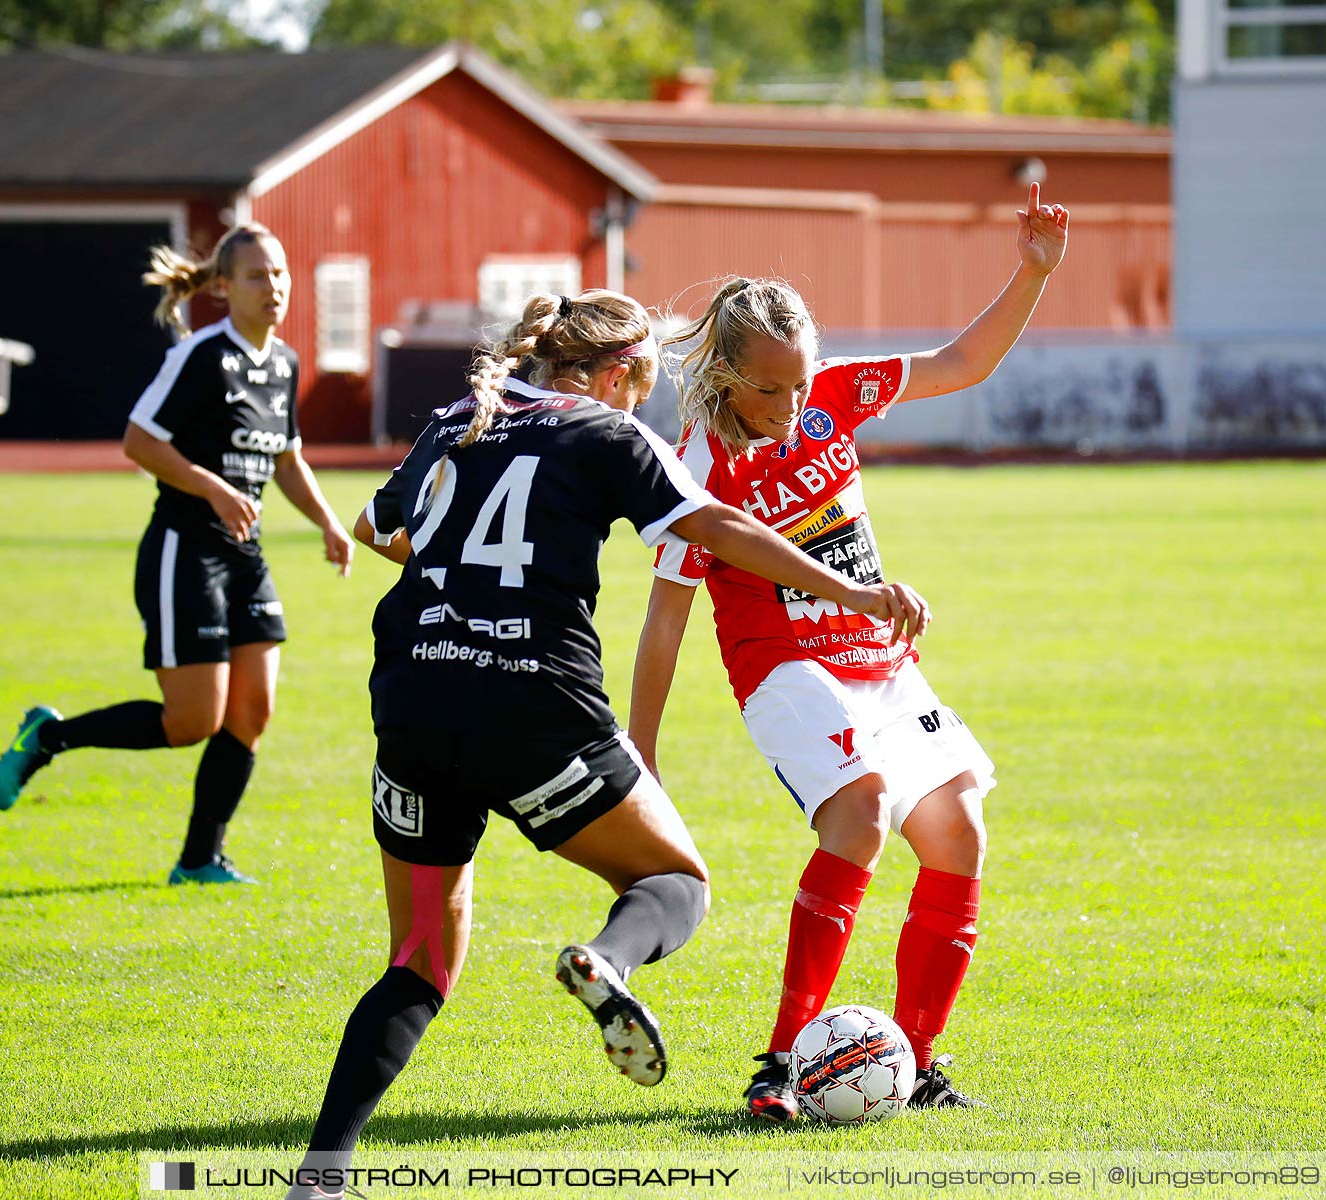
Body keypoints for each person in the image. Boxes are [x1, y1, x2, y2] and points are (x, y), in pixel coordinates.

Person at [287, 289, 928, 1194]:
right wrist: (856, 592)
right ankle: (608, 961)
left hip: (413, 695)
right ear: (622, 372)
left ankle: (324, 1168)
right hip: (533, 702)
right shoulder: (607, 430)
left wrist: (461, 577)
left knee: (420, 960)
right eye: (647, 382)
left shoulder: (455, 419)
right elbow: (719, 527)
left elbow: (375, 528)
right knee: (676, 884)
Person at [629, 185, 1069, 1121]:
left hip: (881, 658)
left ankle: (916, 1067)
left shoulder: (834, 395)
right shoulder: (701, 464)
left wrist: (1031, 272)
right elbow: (665, 614)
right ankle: (782, 1066)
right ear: (724, 373)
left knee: (958, 830)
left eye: (802, 381)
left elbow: (964, 361)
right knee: (864, 811)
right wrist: (644, 751)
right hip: (784, 667)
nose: (792, 402)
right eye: (770, 386)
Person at [0, 223, 354, 885]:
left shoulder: (283, 363)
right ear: (222, 288)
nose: (273, 287)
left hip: (246, 554)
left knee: (253, 712)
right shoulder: (200, 357)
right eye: (255, 276)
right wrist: (214, 488)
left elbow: (286, 459)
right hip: (184, 552)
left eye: (279, 273)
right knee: (193, 721)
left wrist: (329, 526)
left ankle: (199, 860)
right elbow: (138, 441)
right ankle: (47, 737)